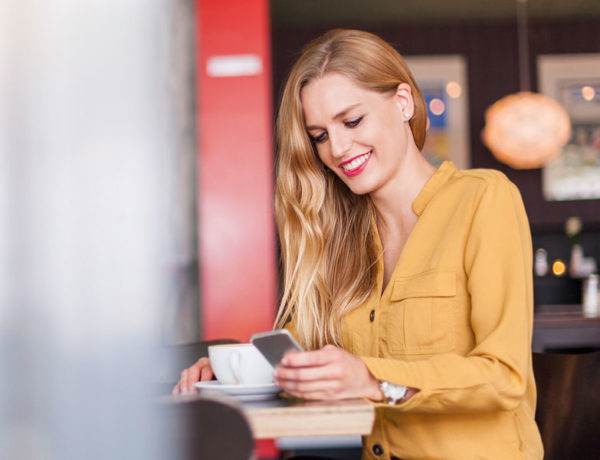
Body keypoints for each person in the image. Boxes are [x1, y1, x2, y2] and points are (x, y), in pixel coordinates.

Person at [174, 29, 543, 460]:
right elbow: (307, 345)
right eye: (320, 135)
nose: (338, 148)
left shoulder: (483, 199)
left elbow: (504, 377)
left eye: (351, 121)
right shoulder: (348, 237)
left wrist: (371, 379)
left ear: (403, 103)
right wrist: (233, 368)